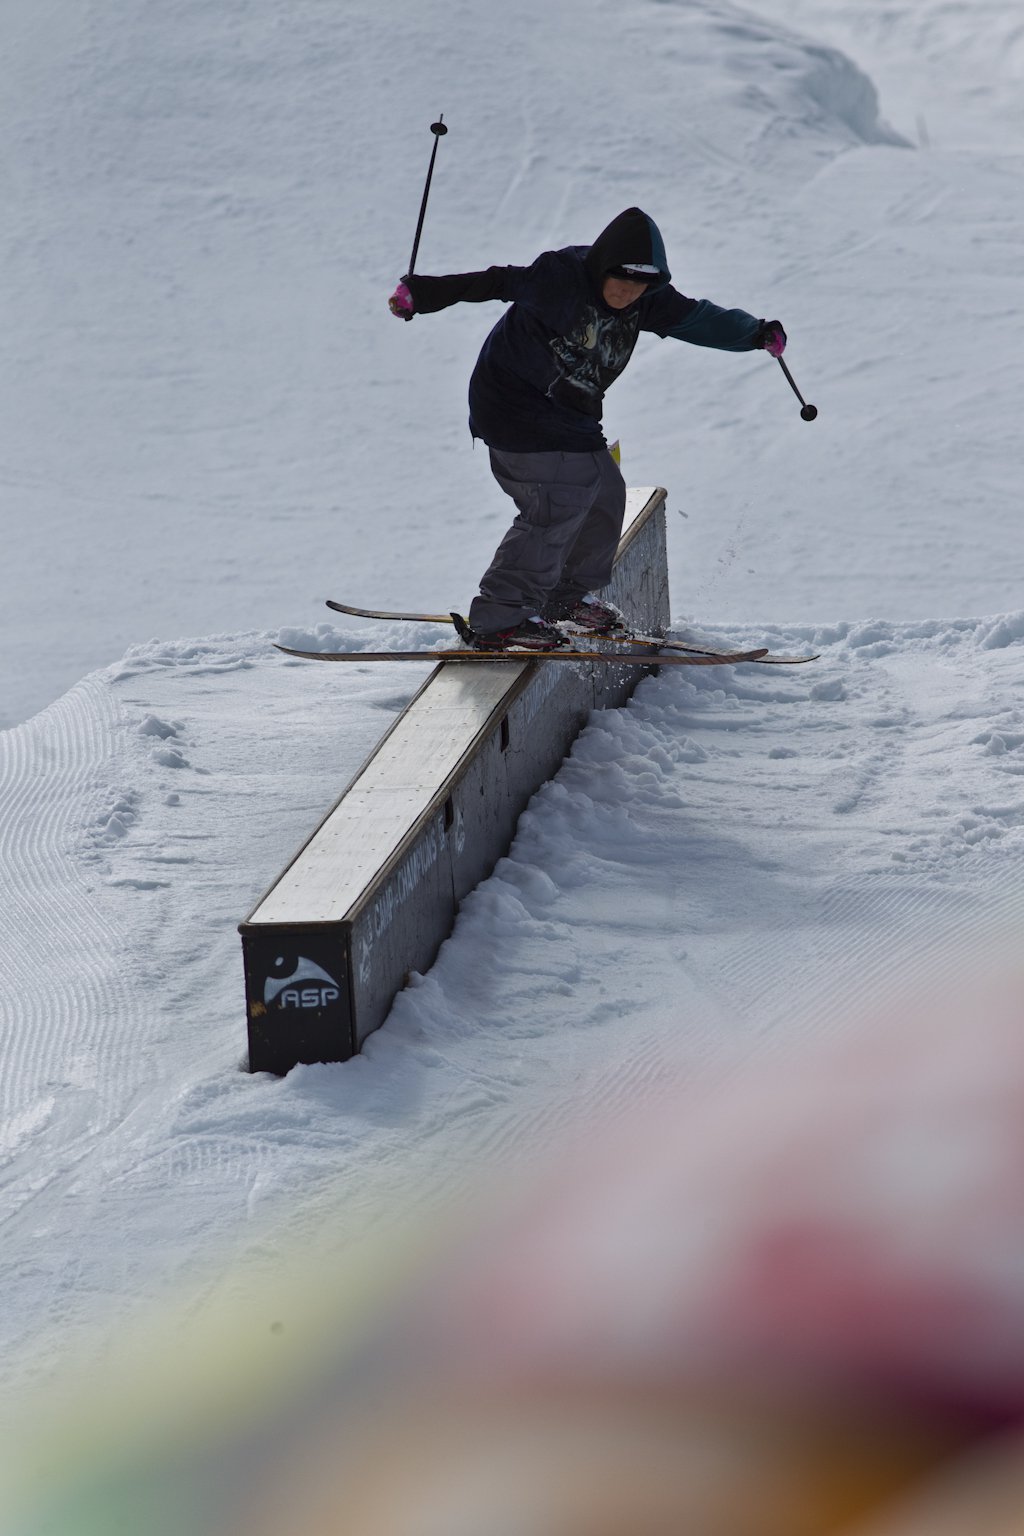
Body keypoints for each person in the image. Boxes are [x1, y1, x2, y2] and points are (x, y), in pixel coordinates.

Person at [389, 206, 786, 651]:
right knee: (556, 503)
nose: (628, 293)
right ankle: (501, 617)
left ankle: (563, 600)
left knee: (604, 494)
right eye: (621, 281)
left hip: (569, 415)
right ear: (601, 269)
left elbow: (698, 318)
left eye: (640, 285)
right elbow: (494, 281)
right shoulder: (559, 277)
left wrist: (754, 333)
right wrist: (420, 295)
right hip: (511, 405)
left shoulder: (648, 298)